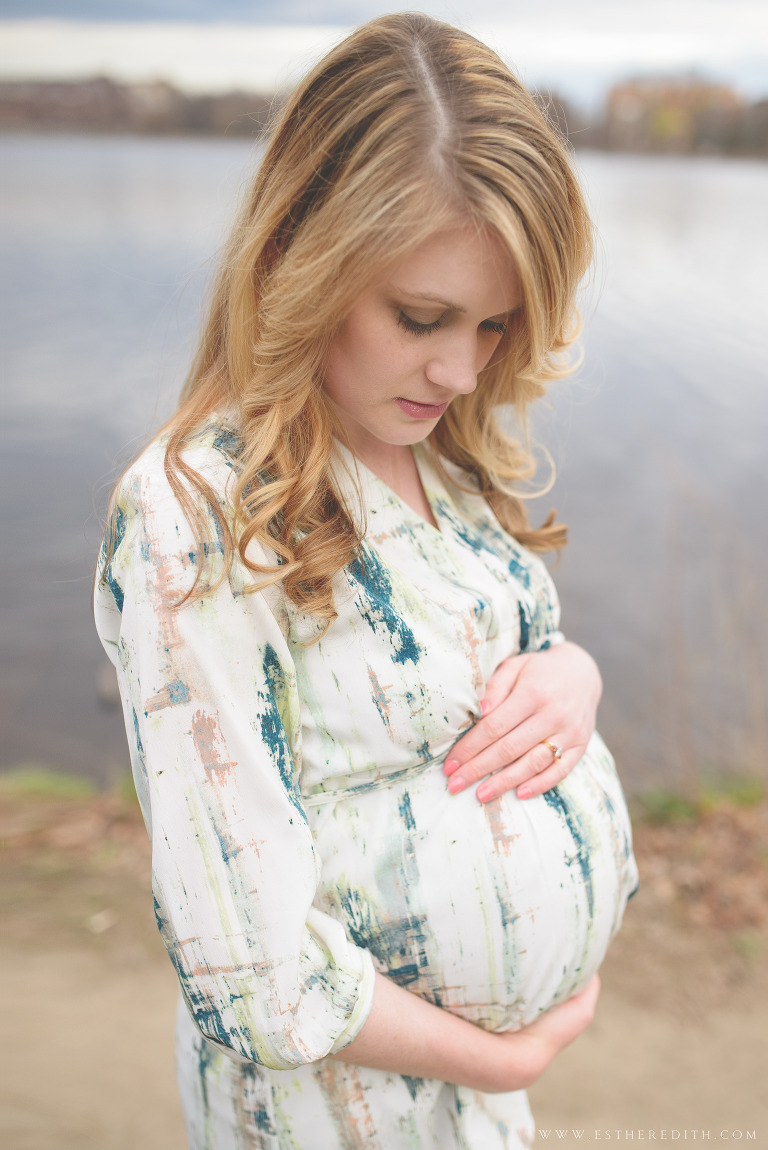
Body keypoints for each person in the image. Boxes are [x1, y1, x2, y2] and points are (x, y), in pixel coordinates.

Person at [94, 12, 639, 1149]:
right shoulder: (196, 513)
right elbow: (249, 967)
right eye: (422, 317)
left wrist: (573, 678)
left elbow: (498, 662)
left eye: (495, 324)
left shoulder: (449, 454)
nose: (461, 366)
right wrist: (508, 1052)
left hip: (483, 1119)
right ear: (299, 250)